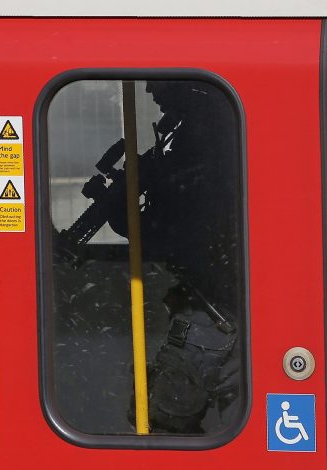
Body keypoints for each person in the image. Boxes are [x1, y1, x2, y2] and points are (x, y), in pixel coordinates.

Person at [54, 80, 242, 434]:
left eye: (156, 84)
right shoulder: (199, 129)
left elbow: (178, 227)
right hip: (215, 304)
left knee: (165, 419)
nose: (149, 92)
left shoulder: (202, 134)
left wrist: (125, 211)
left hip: (214, 312)